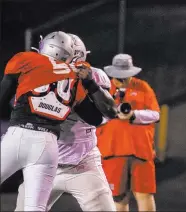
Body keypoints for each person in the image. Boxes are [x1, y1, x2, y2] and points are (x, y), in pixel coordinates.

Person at [0, 31, 116, 211]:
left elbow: (106, 114)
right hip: (48, 154)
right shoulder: (72, 79)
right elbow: (97, 117)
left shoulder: (87, 75)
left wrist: (90, 84)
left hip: (81, 163)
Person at [97, 53, 160, 211]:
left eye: (126, 76)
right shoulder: (103, 89)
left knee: (144, 194)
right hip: (112, 151)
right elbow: (94, 118)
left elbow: (155, 114)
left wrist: (134, 115)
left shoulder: (142, 87)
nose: (122, 80)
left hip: (141, 151)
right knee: (118, 198)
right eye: (118, 76)